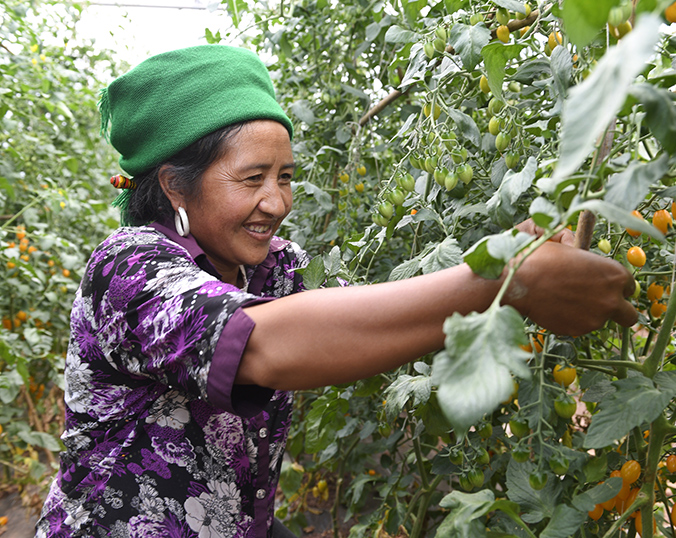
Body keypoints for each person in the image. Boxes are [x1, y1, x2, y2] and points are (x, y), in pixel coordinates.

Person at [35, 45, 638, 538]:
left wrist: (517, 247)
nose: (277, 202)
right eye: (252, 178)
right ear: (174, 186)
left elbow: (361, 318)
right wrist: (508, 277)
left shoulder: (273, 268)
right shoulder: (128, 270)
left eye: (285, 177)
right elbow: (265, 345)